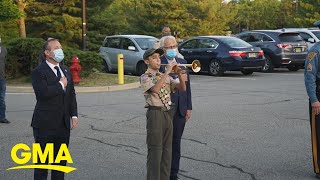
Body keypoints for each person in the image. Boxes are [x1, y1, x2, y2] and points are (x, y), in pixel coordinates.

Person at [31, 38, 78, 180]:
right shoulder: (39, 71)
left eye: (60, 47)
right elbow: (42, 93)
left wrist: (74, 115)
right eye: (56, 47)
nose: (60, 50)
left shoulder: (65, 70)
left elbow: (71, 94)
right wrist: (60, 85)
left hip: (62, 125)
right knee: (42, 165)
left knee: (59, 165)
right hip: (45, 125)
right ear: (47, 52)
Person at [140, 48, 187, 180]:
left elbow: (182, 88)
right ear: (146, 61)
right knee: (155, 151)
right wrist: (167, 71)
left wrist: (179, 74)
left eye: (159, 57)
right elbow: (155, 89)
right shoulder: (146, 76)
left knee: (167, 151)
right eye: (154, 57)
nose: (158, 60)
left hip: (168, 112)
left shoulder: (163, 76)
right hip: (155, 114)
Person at [159, 36, 192, 180]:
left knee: (176, 143)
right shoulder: (159, 64)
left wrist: (188, 107)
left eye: (174, 46)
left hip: (180, 108)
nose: (172, 49)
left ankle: (173, 174)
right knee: (164, 143)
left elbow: (187, 88)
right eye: (168, 47)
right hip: (165, 108)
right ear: (163, 49)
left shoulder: (184, 63)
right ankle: (162, 173)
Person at [305, 41, 320, 179]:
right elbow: (309, 77)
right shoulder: (315, 51)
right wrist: (314, 100)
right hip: (319, 97)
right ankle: (319, 168)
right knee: (319, 135)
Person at [0, 38, 9, 124]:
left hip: (2, 78)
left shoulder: (4, 49)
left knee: (1, 98)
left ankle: (2, 117)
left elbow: (4, 62)